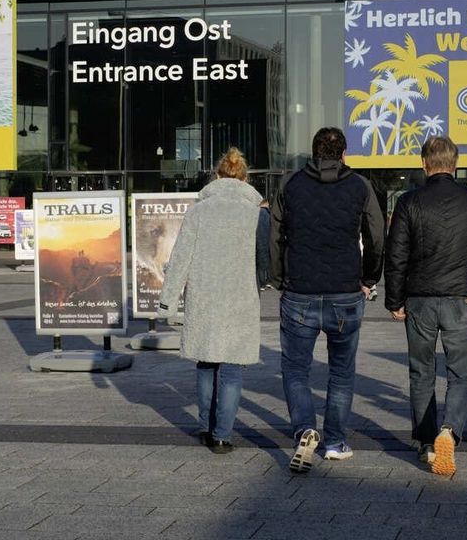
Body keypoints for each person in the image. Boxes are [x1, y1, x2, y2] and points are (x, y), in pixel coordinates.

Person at [384, 137, 467, 477]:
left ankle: (425, 442)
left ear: (424, 164)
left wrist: (394, 300)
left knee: (421, 372)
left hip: (419, 299)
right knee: (461, 374)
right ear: (455, 163)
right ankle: (449, 430)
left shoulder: (409, 202)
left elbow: (396, 256)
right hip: (461, 297)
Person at [271, 127, 384, 473]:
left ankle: (305, 429)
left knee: (295, 369)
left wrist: (278, 278)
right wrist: (369, 277)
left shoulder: (290, 185)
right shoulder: (360, 186)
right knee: (341, 371)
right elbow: (376, 234)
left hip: (300, 291)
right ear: (344, 153)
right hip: (345, 292)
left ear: (313, 152)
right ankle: (334, 442)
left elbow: (275, 235)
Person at [157, 148, 263, 455]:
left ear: (217, 176)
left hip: (204, 297)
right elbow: (264, 259)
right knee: (231, 367)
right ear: (244, 178)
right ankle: (221, 436)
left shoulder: (198, 211)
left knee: (206, 362)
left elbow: (180, 259)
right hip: (240, 298)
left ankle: (204, 426)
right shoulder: (255, 213)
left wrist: (168, 302)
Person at [255, 199, 271, 291]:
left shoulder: (258, 213)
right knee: (265, 261)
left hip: (260, 239)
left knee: (260, 261)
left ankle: (262, 283)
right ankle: (265, 281)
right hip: (265, 239)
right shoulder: (266, 213)